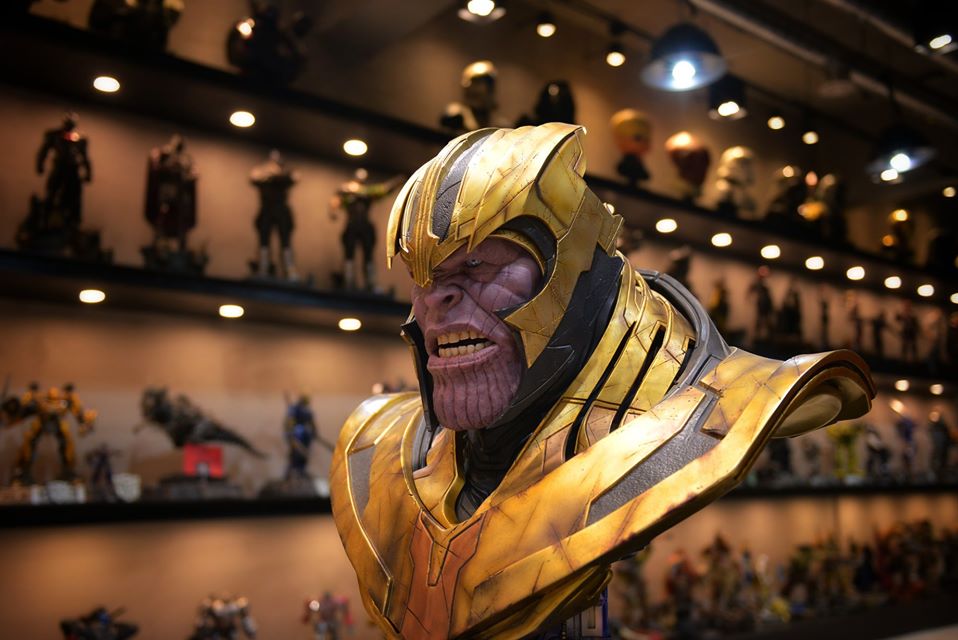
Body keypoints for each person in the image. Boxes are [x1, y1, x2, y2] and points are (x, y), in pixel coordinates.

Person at [330, 124, 874, 639]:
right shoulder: (375, 443)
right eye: (424, 277)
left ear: (571, 268)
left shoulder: (734, 400)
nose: (435, 300)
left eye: (477, 265)